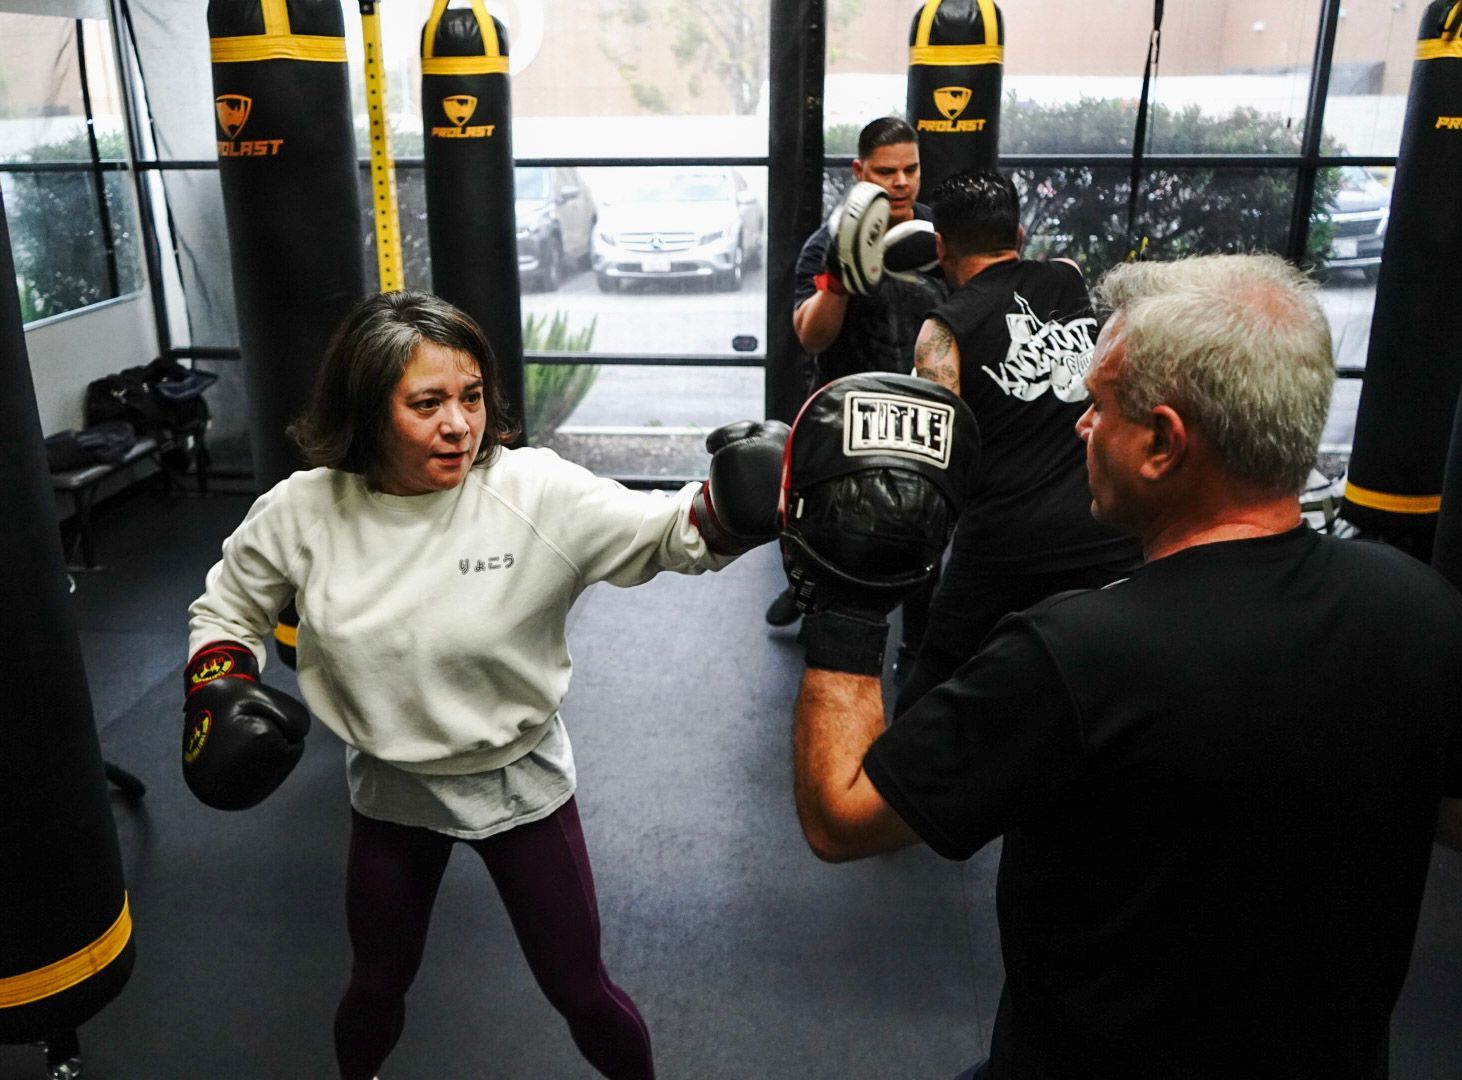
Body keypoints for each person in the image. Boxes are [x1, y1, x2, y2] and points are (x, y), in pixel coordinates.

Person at [786, 253, 1462, 1078]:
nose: (1079, 424)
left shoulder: (1074, 654)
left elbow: (842, 816)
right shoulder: (1423, 608)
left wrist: (847, 604)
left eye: (1096, 406)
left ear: (1163, 443)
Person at [182, 291, 784, 1080]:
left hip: (517, 785)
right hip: (392, 789)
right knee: (376, 983)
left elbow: (669, 531)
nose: (459, 425)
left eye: (470, 398)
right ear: (368, 411)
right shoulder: (306, 509)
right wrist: (216, 683)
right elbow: (227, 605)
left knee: (580, 990)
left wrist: (733, 508)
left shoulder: (532, 491)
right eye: (426, 404)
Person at [897, 168, 1141, 715]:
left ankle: (881, 792)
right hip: (1104, 529)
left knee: (932, 687)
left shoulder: (943, 332)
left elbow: (938, 460)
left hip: (1003, 543)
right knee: (1105, 685)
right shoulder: (1068, 279)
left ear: (940, 247)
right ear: (1021, 234)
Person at [768, 116, 945, 678]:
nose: (901, 183)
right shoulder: (826, 243)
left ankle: (916, 651)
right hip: (850, 413)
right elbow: (809, 335)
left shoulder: (937, 241)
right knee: (835, 537)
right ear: (860, 171)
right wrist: (841, 281)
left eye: (911, 170)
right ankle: (809, 598)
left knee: (927, 534)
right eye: (887, 171)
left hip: (923, 409)